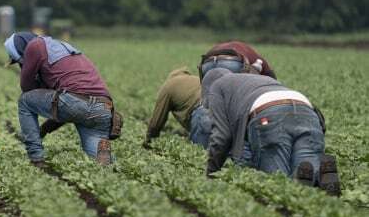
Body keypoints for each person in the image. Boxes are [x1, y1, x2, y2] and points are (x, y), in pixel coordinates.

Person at [202, 68, 339, 193]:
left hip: (268, 113)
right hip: (306, 110)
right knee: (305, 166)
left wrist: (212, 173)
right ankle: (319, 175)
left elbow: (222, 137)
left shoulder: (216, 87)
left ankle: (297, 189)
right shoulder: (259, 80)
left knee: (276, 182)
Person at [4, 32, 119, 166]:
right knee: (102, 161)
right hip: (103, 108)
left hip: (76, 101)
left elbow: (26, 87)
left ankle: (36, 157)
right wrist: (44, 129)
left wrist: (37, 133)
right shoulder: (61, 47)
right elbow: (66, 108)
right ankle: (114, 171)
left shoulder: (35, 45)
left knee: (25, 101)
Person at [144, 67, 210, 149]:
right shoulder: (195, 79)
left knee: (203, 154)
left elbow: (157, 120)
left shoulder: (169, 86)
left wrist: (149, 140)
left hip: (203, 113)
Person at [199, 40, 276, 79]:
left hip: (208, 62)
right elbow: (271, 76)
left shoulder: (217, 46)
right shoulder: (258, 58)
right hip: (230, 61)